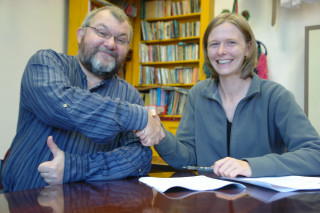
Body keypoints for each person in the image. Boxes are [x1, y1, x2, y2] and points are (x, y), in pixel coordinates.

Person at [136, 12, 320, 178]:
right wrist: (160, 136)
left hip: (261, 204)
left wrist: (251, 166)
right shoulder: (197, 94)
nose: (221, 51)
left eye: (231, 42)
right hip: (209, 202)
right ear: (207, 52)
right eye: (214, 44)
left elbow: (315, 155)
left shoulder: (276, 96)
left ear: (248, 48)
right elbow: (186, 158)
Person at [1, 5, 162, 192]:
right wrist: (138, 117)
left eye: (121, 40)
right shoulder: (44, 63)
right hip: (21, 201)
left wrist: (77, 167)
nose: (111, 44)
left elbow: (139, 157)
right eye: (102, 32)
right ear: (80, 34)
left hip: (91, 206)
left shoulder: (130, 95)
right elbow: (61, 104)